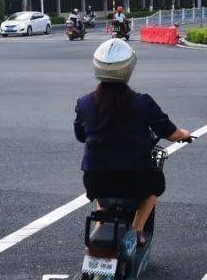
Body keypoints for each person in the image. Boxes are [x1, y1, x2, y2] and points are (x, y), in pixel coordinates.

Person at [74, 40, 191, 245]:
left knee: (102, 186)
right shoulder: (142, 102)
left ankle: (101, 226)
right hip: (135, 180)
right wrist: (185, 134)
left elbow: (81, 135)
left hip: (95, 180)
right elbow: (172, 134)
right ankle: (137, 231)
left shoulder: (84, 103)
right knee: (156, 185)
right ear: (128, 68)